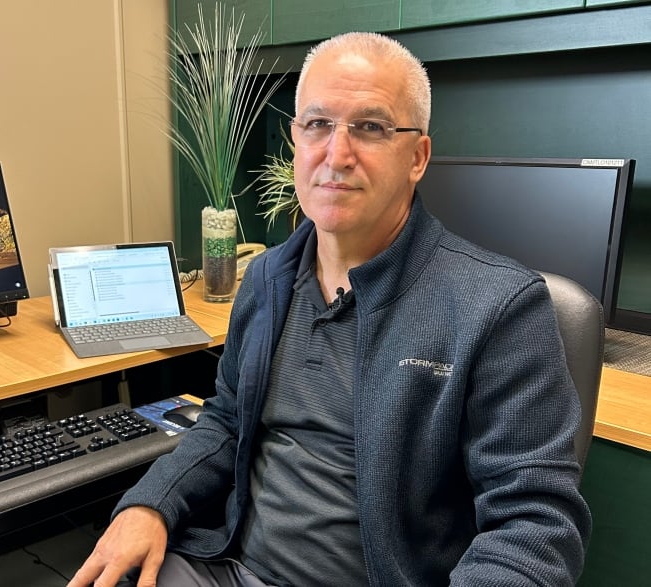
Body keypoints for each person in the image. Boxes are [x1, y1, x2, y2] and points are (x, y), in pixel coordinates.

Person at [69, 32, 591, 587]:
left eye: (370, 127)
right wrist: (150, 504)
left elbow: (535, 525)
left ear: (417, 157)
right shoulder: (267, 279)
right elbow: (224, 421)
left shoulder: (499, 308)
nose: (336, 155)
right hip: (224, 567)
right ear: (296, 141)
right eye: (317, 125)